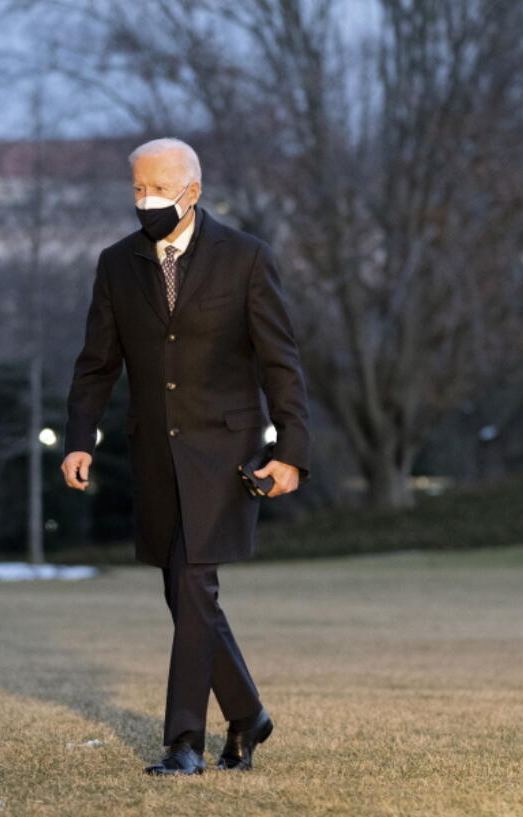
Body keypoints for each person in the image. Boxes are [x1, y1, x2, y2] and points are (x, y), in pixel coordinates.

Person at [59, 137, 312, 775]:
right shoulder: (116, 264)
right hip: (153, 452)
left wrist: (293, 453)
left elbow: (281, 362)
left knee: (195, 581)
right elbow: (97, 364)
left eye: (158, 190)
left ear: (192, 192)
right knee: (183, 591)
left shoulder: (248, 259)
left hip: (227, 451)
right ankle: (249, 717)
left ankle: (184, 743)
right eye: (137, 190)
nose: (147, 202)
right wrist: (79, 440)